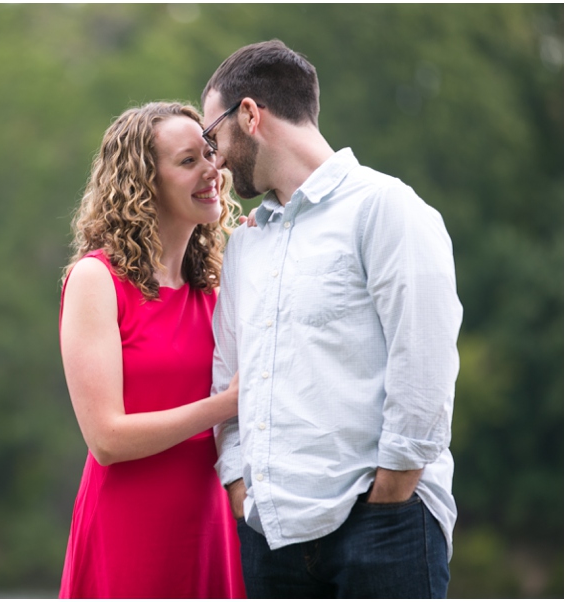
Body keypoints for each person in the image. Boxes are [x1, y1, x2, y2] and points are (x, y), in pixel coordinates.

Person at [202, 40, 462, 598]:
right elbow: (228, 374)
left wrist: (390, 491)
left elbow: (425, 366)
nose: (213, 158)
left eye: (212, 135)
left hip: (383, 532)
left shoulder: (386, 208)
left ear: (249, 115)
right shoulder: (246, 246)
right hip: (270, 541)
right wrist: (239, 484)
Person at [58, 102, 247, 599]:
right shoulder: (96, 280)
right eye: (188, 161)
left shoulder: (219, 289)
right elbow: (107, 439)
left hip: (213, 527)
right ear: (145, 183)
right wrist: (225, 405)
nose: (213, 170)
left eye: (210, 153)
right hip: (129, 532)